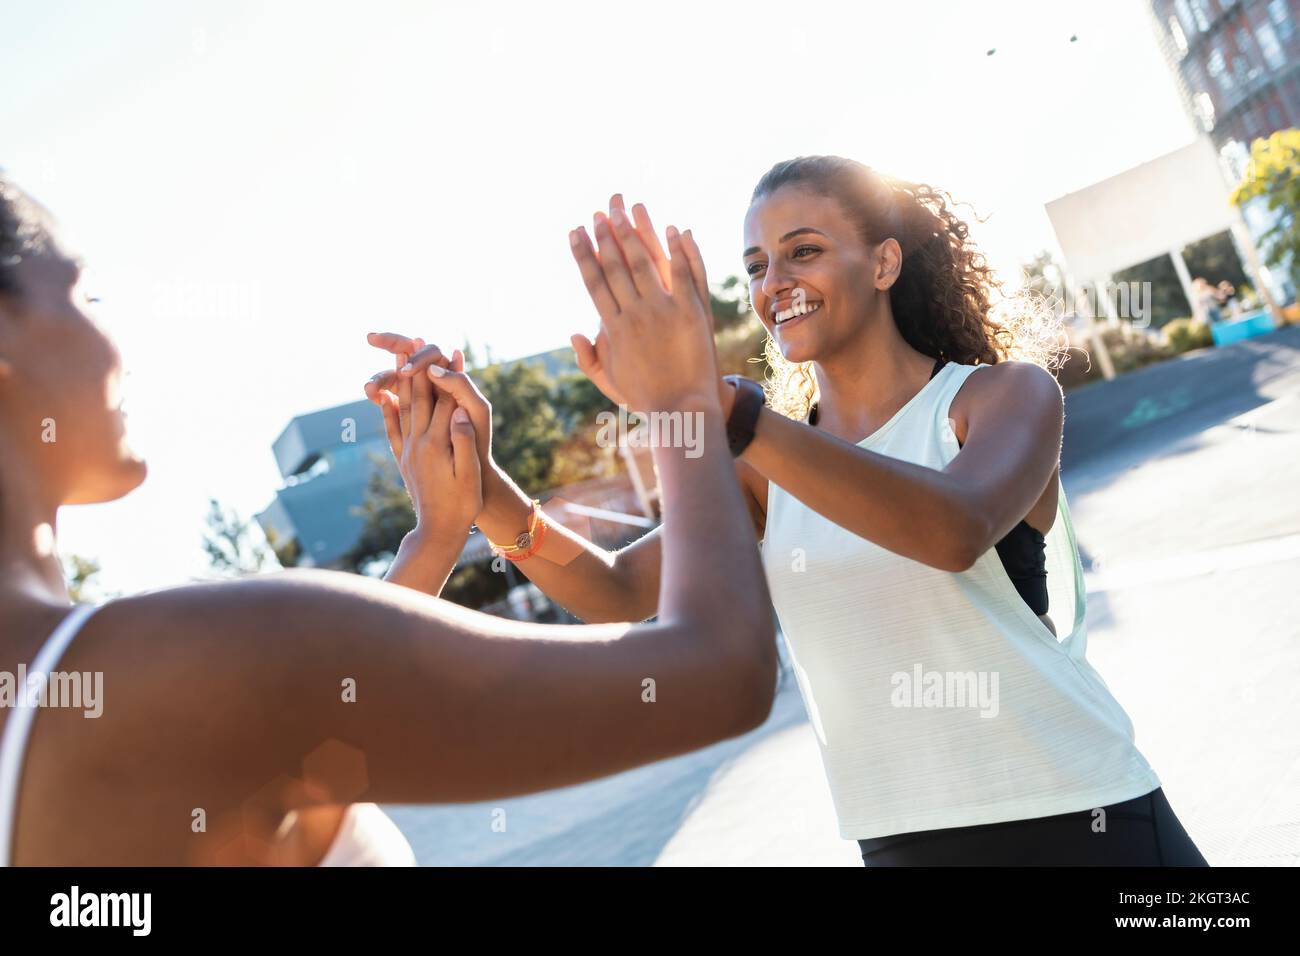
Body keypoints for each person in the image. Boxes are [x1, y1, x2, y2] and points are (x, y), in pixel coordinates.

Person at [376, 157, 1209, 866]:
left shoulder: (997, 397)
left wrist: (721, 412)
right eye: (756, 268)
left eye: (801, 253)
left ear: (884, 264)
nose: (775, 286)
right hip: (901, 841)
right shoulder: (766, 464)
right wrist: (484, 490)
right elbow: (620, 594)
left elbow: (951, 530)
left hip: (1088, 818)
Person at [0, 176, 776, 866]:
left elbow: (306, 707)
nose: (121, 351)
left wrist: (440, 532)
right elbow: (718, 675)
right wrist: (683, 403)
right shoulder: (194, 660)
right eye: (86, 296)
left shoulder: (95, 692)